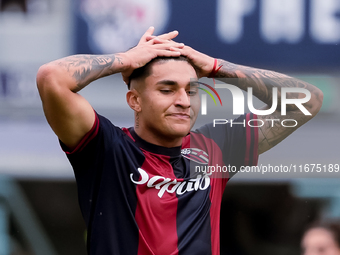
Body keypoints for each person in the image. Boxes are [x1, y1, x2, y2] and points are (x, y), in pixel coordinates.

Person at [37, 27, 323, 254]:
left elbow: (308, 100)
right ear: (134, 100)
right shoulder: (107, 148)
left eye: (192, 90)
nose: (184, 101)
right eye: (167, 89)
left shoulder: (216, 147)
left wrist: (215, 66)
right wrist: (126, 60)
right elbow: (52, 77)